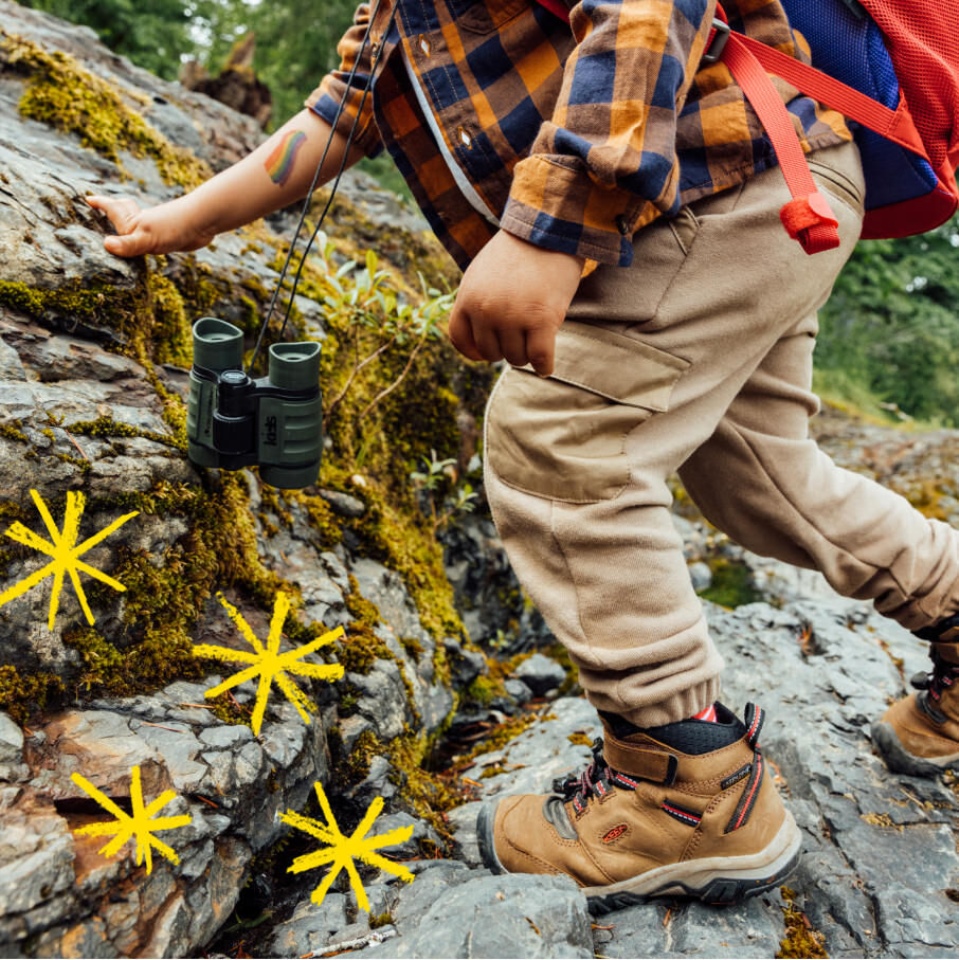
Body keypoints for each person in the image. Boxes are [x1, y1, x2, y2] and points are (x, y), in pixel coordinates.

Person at [88, 0, 959, 909]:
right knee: (763, 478)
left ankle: (688, 791)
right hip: (776, 183)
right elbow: (339, 114)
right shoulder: (394, 17)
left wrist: (548, 229)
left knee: (562, 440)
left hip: (717, 184)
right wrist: (181, 220)